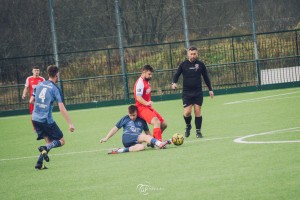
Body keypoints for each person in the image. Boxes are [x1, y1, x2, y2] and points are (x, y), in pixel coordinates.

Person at [30, 65, 75, 170]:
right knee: (61, 140)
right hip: (46, 120)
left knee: (49, 142)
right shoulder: (55, 89)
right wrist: (70, 123)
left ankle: (39, 163)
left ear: (48, 74)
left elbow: (31, 101)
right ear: (57, 75)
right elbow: (61, 108)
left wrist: (41, 103)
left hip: (35, 118)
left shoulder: (39, 84)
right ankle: (44, 148)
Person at [172, 46, 214, 138]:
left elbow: (206, 77)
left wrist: (210, 89)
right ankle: (188, 125)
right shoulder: (183, 64)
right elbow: (177, 74)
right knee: (187, 113)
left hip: (198, 92)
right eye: (191, 54)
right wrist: (174, 83)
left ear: (197, 54)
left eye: (194, 54)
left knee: (197, 111)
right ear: (188, 55)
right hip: (187, 92)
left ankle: (198, 132)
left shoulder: (201, 64)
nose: (193, 56)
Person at [100, 105, 170, 154]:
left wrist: (152, 141)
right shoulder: (125, 118)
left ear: (137, 113)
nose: (132, 117)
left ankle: (119, 150)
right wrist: (106, 138)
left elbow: (147, 132)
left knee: (141, 147)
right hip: (127, 137)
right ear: (128, 113)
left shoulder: (142, 120)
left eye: (134, 115)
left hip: (135, 141)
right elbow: (115, 129)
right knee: (144, 137)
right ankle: (160, 144)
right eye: (130, 115)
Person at [134, 65, 167, 142]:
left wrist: (147, 104)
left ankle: (153, 141)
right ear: (143, 72)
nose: (150, 76)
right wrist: (146, 103)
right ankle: (158, 143)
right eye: (149, 74)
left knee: (164, 124)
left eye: (151, 74)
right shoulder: (140, 82)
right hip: (141, 108)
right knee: (156, 122)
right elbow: (138, 97)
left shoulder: (146, 81)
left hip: (147, 107)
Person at [22, 66, 45, 131]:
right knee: (33, 115)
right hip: (32, 100)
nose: (36, 72)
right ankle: (35, 128)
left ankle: (42, 127)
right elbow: (26, 88)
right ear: (32, 71)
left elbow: (45, 88)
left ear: (39, 71)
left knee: (42, 114)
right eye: (35, 70)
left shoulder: (42, 79)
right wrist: (24, 94)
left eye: (37, 70)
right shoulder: (29, 79)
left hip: (40, 100)